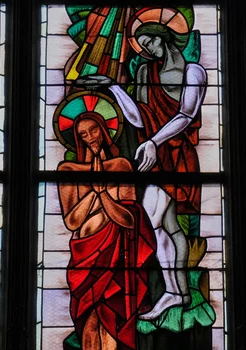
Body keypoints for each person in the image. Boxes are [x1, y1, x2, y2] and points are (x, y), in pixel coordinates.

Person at [77, 7, 207, 320]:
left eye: (148, 39)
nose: (146, 46)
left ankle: (176, 293)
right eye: (141, 43)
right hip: (154, 156)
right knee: (163, 223)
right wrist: (114, 87)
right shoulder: (144, 73)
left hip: (177, 155)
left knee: (164, 223)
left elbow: (186, 115)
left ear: (164, 36)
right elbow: (137, 118)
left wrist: (153, 142)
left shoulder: (193, 72)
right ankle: (176, 293)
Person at [58, 111, 156, 350]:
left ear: (104, 130)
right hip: (85, 256)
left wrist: (103, 193)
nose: (90, 137)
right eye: (83, 134)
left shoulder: (121, 166)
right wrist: (94, 191)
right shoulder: (68, 170)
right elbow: (72, 222)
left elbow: (129, 219)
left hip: (115, 255)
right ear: (77, 139)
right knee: (89, 322)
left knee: (111, 318)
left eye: (94, 130)